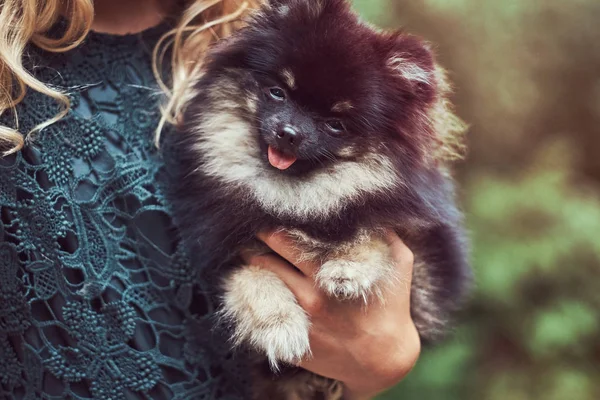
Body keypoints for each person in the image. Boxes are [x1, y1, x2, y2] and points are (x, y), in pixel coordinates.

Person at [0, 0, 421, 399]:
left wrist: (379, 364)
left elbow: (355, 354)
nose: (291, 130)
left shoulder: (258, 21)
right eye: (277, 94)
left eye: (331, 124)